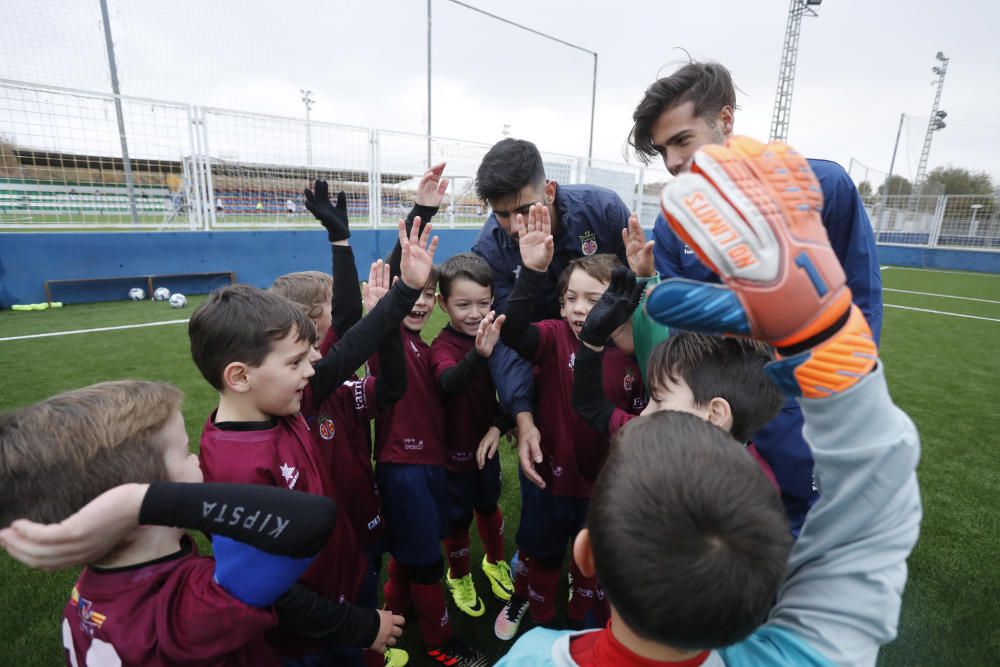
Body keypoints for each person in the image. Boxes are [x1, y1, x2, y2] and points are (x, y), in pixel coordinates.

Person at [496, 136, 920, 667]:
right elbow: (879, 513)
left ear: (589, 554)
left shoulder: (532, 658)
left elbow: (594, 408)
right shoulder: (789, 656)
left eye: (659, 404)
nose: (646, 416)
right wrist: (831, 339)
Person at [627, 61, 884, 534]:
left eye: (682, 140)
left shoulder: (824, 188)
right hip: (724, 414)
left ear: (725, 121)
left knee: (809, 535)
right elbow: (687, 339)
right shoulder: (671, 226)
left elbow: (861, 302)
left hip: (805, 408)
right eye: (663, 150)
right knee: (728, 542)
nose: (672, 162)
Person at [0, 379, 398, 666]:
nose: (197, 461)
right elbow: (312, 519)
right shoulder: (190, 605)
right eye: (185, 452)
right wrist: (143, 501)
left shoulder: (90, 594)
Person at [189, 223, 434, 667]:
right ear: (241, 376)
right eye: (298, 360)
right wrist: (358, 625)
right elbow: (275, 593)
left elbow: (353, 342)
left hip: (346, 580)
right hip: (305, 641)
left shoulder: (286, 402)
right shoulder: (237, 468)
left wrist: (405, 293)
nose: (316, 365)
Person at [494, 204, 646, 639]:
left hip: (608, 488)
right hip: (550, 481)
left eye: (594, 300)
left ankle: (582, 620)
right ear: (559, 306)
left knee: (591, 560)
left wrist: (641, 279)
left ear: (616, 305)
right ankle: (536, 611)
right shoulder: (553, 337)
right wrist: (531, 272)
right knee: (540, 552)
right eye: (571, 299)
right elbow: (514, 331)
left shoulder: (637, 350)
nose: (581, 309)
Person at [364, 192, 488, 667]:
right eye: (412, 294)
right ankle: (441, 645)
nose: (420, 302)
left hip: (427, 467)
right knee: (426, 563)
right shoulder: (389, 335)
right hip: (405, 469)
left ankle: (394, 615)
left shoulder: (424, 343)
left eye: (429, 295)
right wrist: (424, 212)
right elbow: (403, 274)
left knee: (413, 552)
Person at [470, 138, 632, 492]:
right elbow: (504, 338)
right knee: (547, 475)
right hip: (545, 365)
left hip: (616, 367)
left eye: (525, 210)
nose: (514, 226)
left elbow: (636, 293)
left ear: (551, 191)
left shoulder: (603, 211)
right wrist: (522, 414)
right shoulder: (489, 249)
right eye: (501, 214)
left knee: (621, 476)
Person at [429, 252, 514, 618]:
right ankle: (458, 573)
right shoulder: (443, 347)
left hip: (486, 447)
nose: (475, 313)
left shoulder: (495, 337)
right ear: (442, 303)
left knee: (488, 504)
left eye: (483, 302)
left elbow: (512, 390)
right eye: (463, 304)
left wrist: (497, 427)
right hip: (452, 454)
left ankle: (494, 562)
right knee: (457, 519)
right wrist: (480, 355)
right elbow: (449, 384)